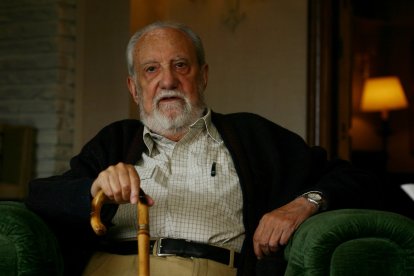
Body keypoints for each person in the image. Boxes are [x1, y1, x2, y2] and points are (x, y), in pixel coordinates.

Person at [26, 21, 379, 276]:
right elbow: (41, 196)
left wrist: (305, 203)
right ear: (134, 89)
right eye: (151, 70)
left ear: (203, 75)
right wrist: (94, 188)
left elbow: (358, 178)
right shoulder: (115, 140)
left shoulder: (253, 136)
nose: (167, 80)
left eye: (180, 65)